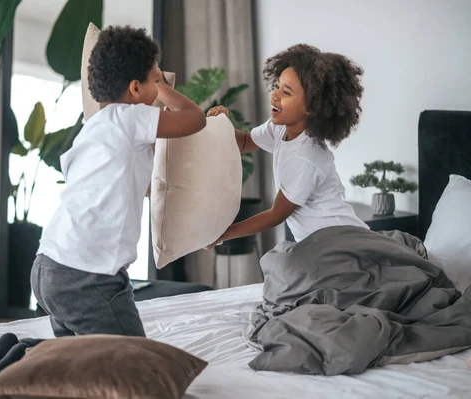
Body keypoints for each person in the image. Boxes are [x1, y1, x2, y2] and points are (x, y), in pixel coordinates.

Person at [31, 26, 206, 337]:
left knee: (84, 363)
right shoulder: (130, 117)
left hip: (49, 266)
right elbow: (195, 118)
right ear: (135, 89)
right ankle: (21, 355)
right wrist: (165, 89)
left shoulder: (93, 128)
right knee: (131, 364)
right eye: (154, 78)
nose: (158, 84)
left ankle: (31, 361)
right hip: (88, 276)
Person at [206, 44, 368, 249]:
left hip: (339, 243)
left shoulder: (306, 156)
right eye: (277, 86)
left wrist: (224, 234)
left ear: (312, 106)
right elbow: (245, 142)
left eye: (286, 92)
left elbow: (276, 214)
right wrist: (222, 125)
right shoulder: (280, 129)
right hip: (318, 245)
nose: (274, 95)